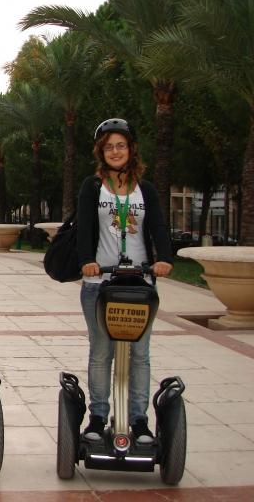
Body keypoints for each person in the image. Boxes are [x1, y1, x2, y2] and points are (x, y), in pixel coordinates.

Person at [77, 118, 173, 444]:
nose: (115, 151)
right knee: (101, 352)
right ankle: (98, 417)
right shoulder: (93, 187)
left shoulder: (146, 189)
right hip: (100, 284)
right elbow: (84, 230)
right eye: (108, 147)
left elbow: (159, 227)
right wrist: (86, 262)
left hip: (139, 285)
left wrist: (164, 260)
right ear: (100, 152)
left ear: (131, 149)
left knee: (140, 354)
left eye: (120, 145)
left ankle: (139, 420)